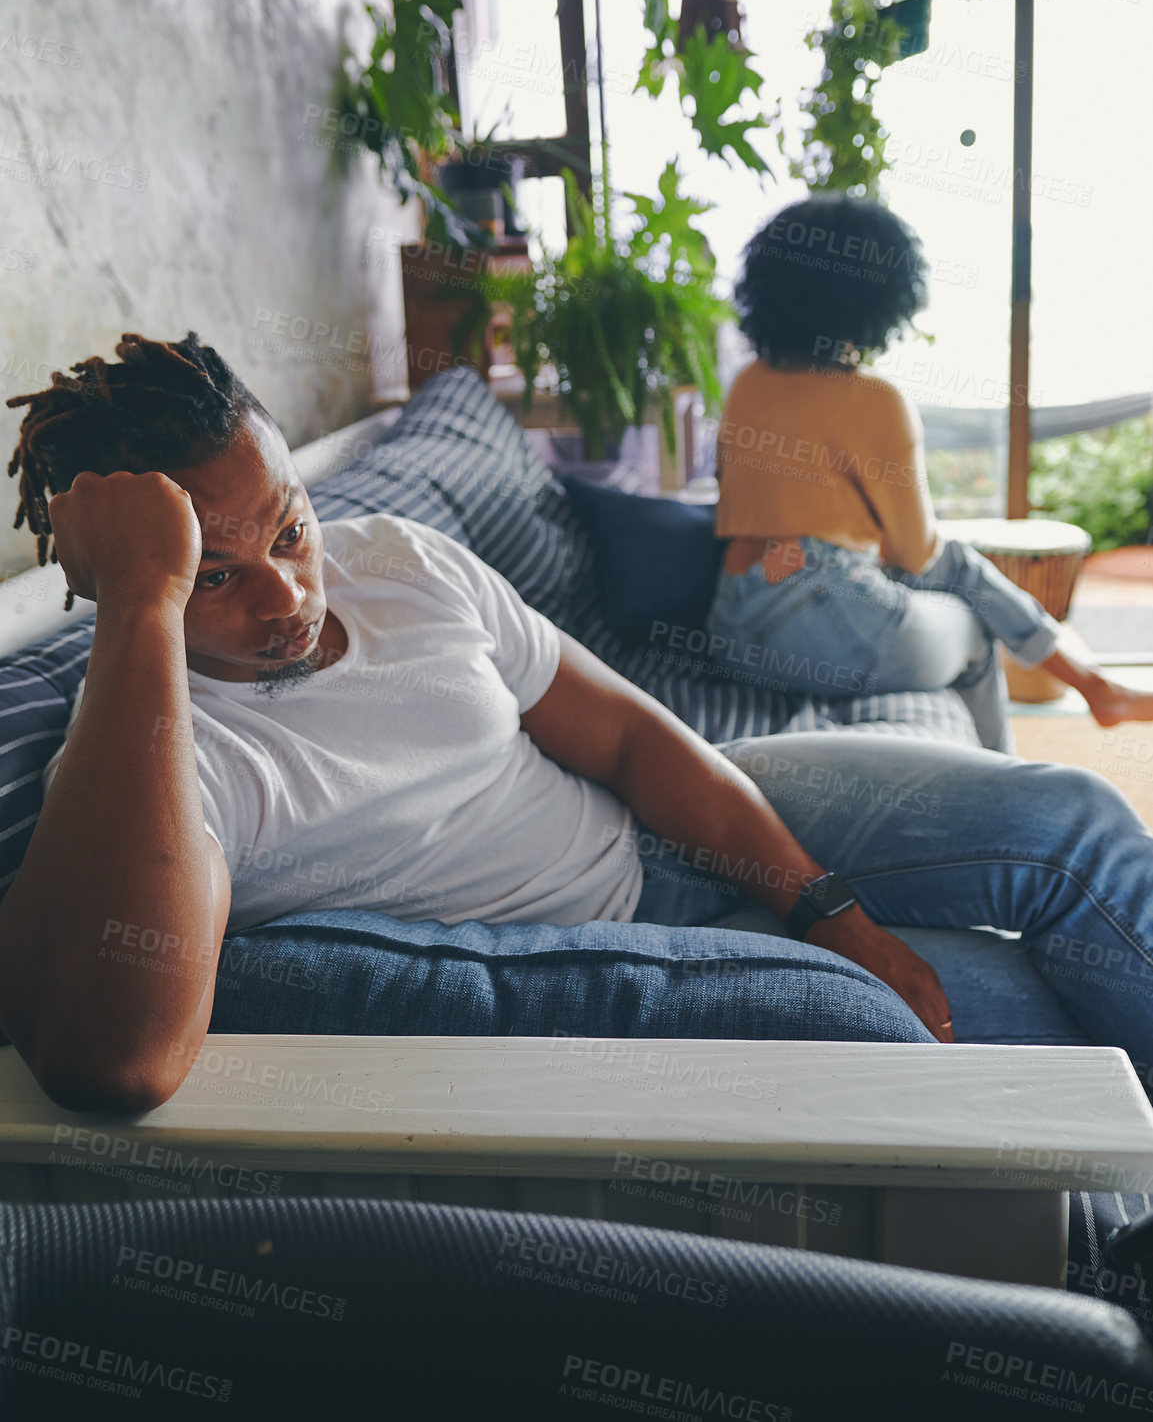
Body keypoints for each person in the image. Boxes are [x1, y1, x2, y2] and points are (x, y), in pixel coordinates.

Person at [2, 332, 1153, 1117]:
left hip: (675, 818)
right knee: (1049, 1021)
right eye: (216, 575)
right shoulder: (154, 762)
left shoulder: (389, 556)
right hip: (634, 936)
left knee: (1079, 822)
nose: (290, 595)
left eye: (290, 530)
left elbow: (627, 738)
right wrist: (147, 605)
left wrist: (826, 905)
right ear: (123, 580)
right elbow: (116, 1055)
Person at [708, 191, 1153, 754]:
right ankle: (1028, 760)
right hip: (824, 611)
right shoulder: (873, 399)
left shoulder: (747, 383)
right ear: (880, 297)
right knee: (969, 616)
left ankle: (1095, 690)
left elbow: (742, 503)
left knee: (951, 570)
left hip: (732, 625)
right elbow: (918, 554)